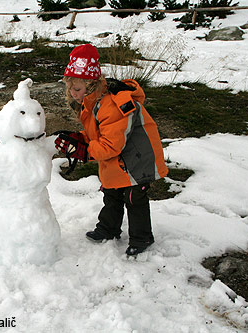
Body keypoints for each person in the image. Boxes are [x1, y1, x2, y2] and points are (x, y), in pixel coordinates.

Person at [55, 44, 168, 256]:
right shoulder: (91, 103)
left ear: (90, 85)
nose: (72, 93)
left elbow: (110, 146)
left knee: (134, 198)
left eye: (77, 89)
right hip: (121, 160)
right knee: (112, 193)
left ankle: (142, 238)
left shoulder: (112, 105)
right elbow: (98, 134)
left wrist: (86, 151)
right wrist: (81, 139)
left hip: (138, 159)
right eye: (69, 88)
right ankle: (108, 229)